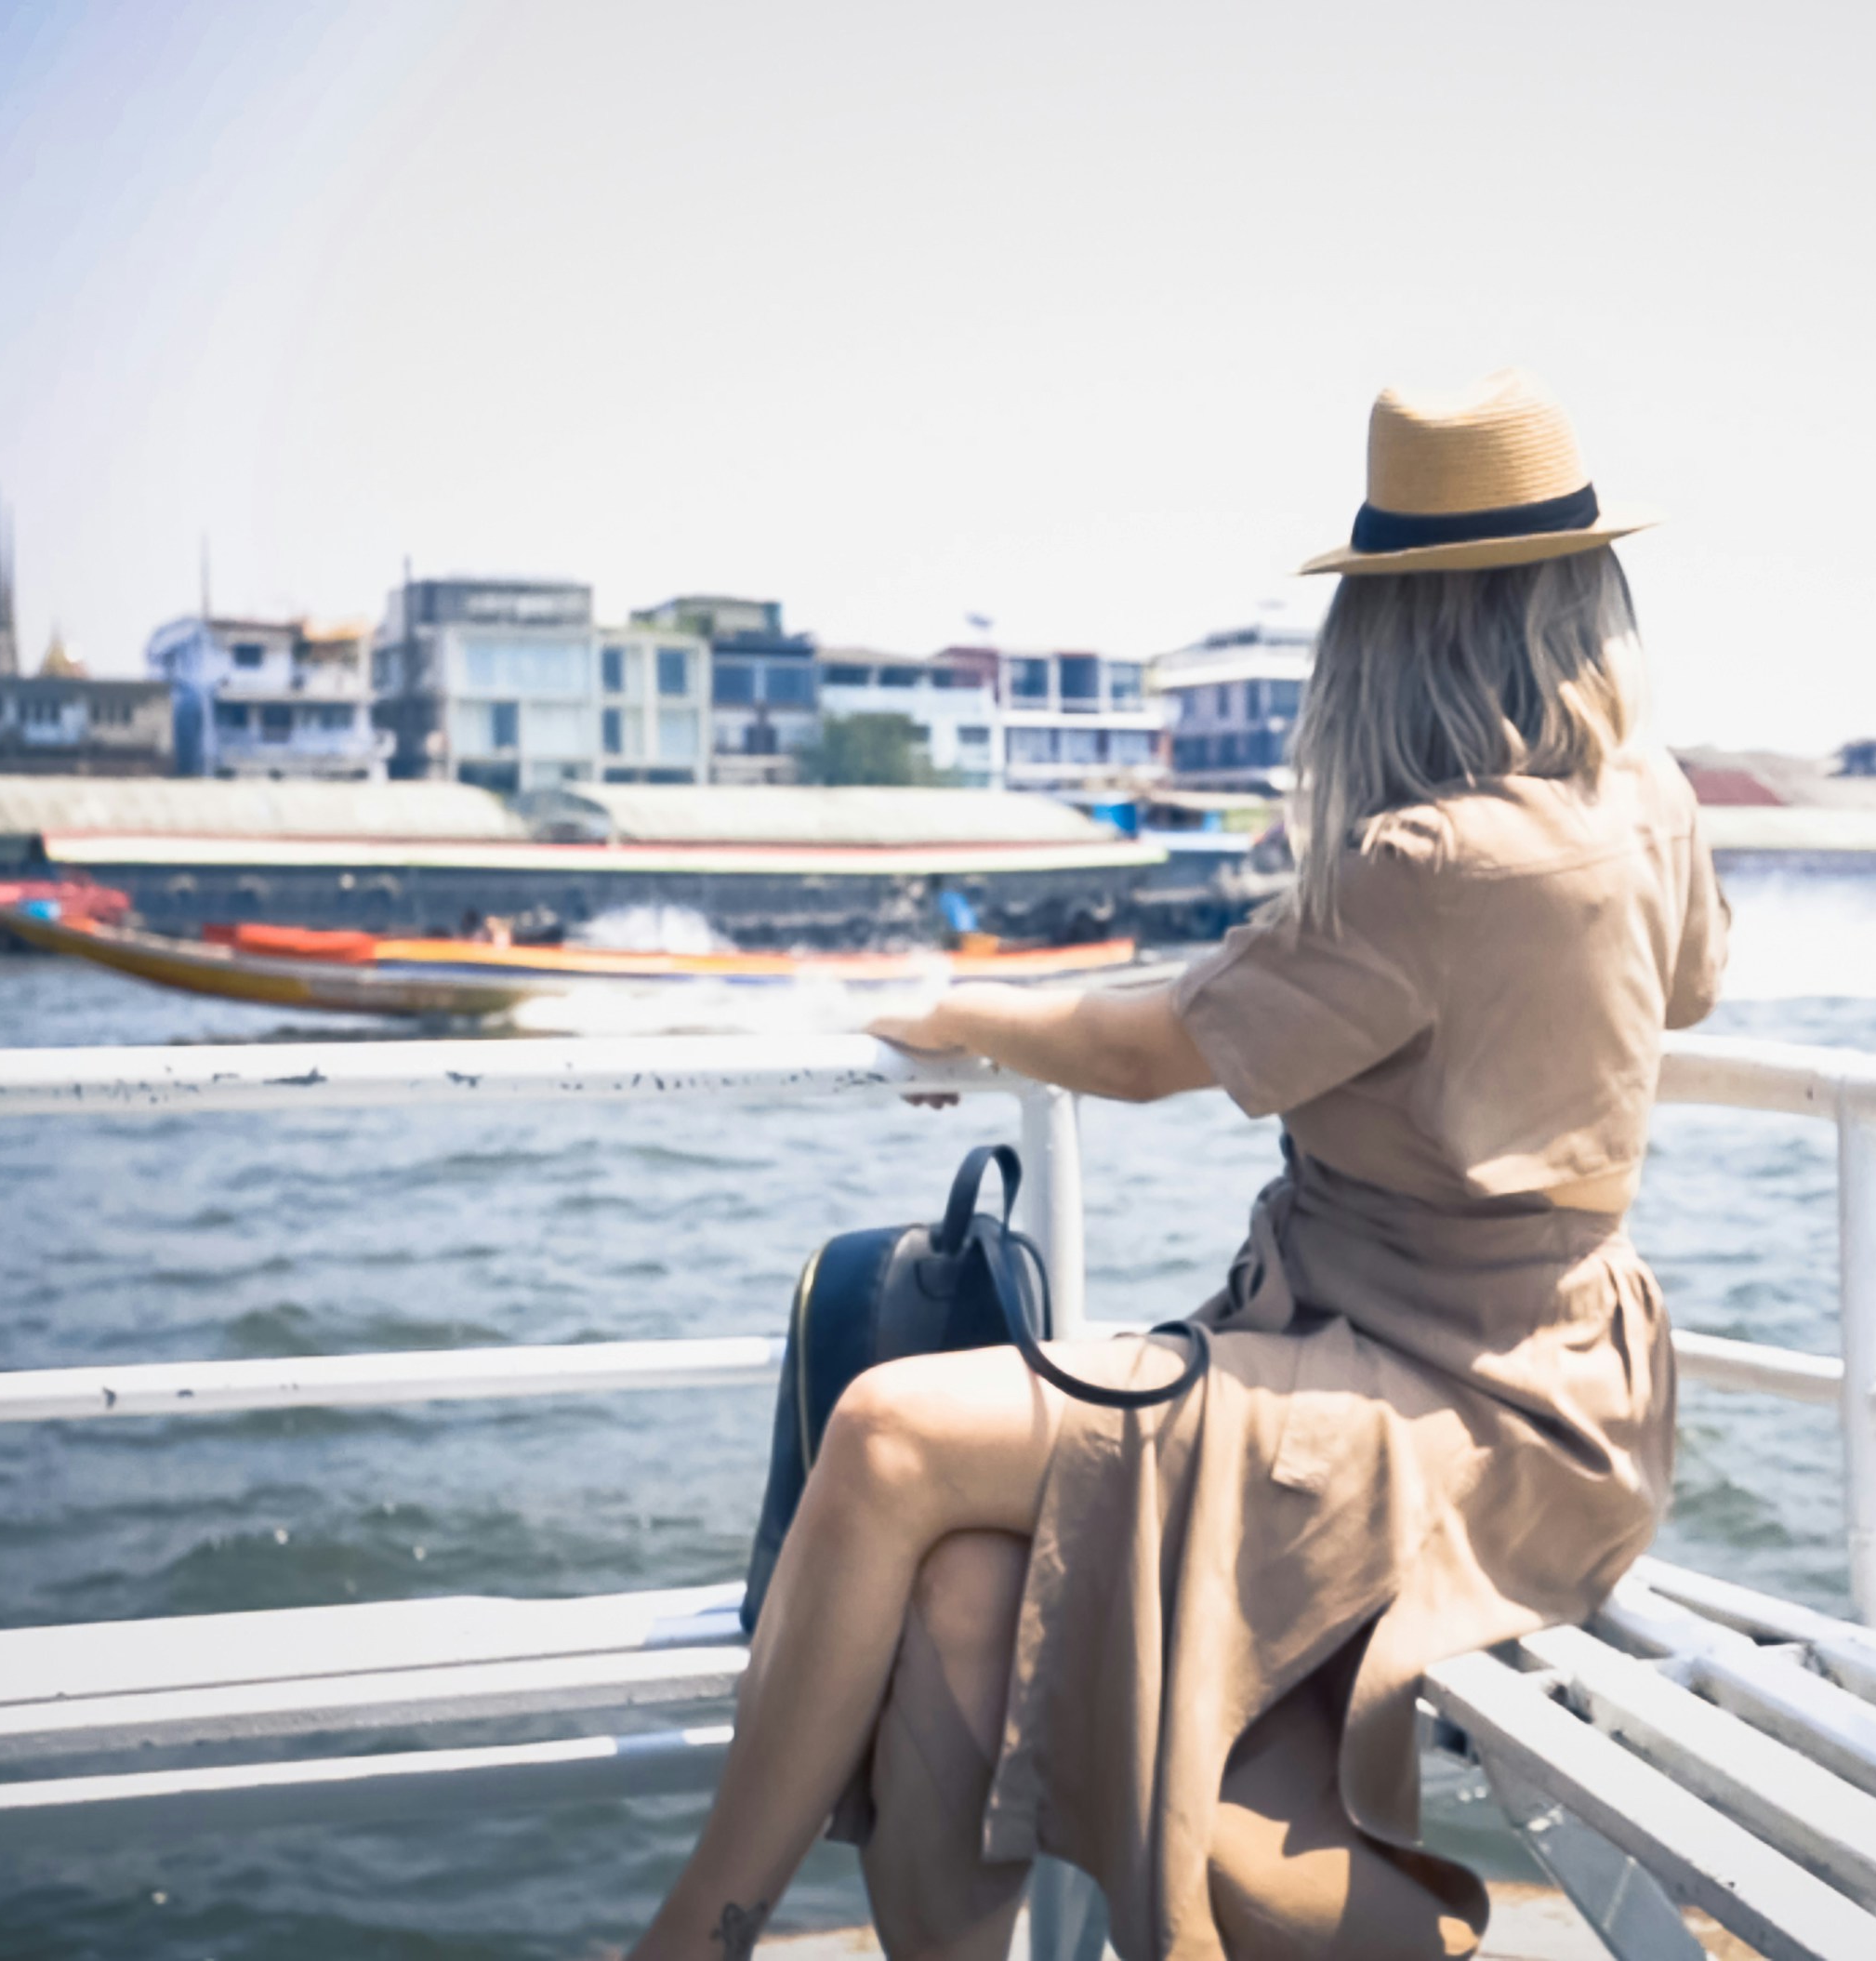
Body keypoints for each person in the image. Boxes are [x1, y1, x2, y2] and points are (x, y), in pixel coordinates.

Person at [625, 369, 1729, 1961]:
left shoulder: (1420, 861)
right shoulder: (1650, 800)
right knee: (958, 1602)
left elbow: (1150, 1054)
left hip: (1415, 1402)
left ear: (1393, 627)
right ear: (1579, 597)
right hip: (1579, 1399)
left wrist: (963, 1010)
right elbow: (1680, 991)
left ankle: (692, 1940)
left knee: (881, 1434)